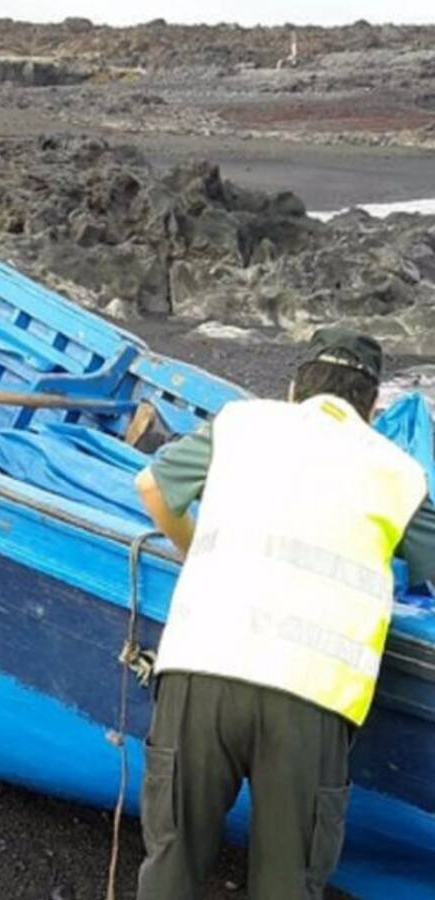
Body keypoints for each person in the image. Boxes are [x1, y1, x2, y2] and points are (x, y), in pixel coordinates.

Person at [133, 327, 435, 899]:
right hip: (312, 699)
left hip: (203, 665)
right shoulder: (400, 473)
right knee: (287, 883)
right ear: (372, 407)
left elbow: (151, 486)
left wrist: (196, 550)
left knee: (172, 864)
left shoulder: (241, 424)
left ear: (296, 387)